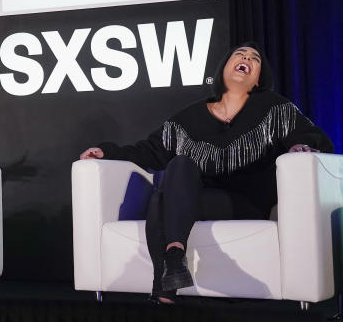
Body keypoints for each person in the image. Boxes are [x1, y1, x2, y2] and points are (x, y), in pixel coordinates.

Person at [79, 42, 333, 303]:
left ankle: (163, 290)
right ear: (223, 68)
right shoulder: (189, 118)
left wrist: (303, 146)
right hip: (200, 200)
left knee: (160, 201)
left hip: (246, 202)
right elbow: (150, 150)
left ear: (258, 78)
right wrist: (106, 151)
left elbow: (312, 137)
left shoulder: (274, 107)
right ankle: (175, 258)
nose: (246, 57)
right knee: (178, 167)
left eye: (254, 58)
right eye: (239, 54)